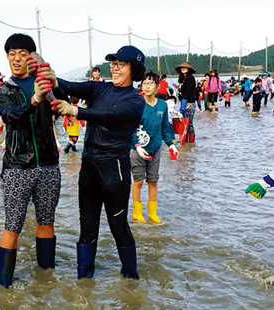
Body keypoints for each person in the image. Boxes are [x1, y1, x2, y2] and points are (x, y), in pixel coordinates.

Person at [43, 45, 146, 280]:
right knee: (87, 226)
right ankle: (84, 282)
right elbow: (70, 86)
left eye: (121, 64)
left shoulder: (135, 100)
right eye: (113, 63)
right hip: (89, 166)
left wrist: (76, 111)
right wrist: (53, 78)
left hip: (114, 169)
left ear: (135, 69)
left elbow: (110, 116)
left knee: (118, 225)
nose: (115, 67)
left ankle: (131, 279)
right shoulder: (99, 88)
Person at [0, 33, 65, 288]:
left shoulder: (45, 84)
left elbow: (68, 101)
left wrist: (54, 84)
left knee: (46, 221)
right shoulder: (1, 92)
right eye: (12, 54)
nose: (16, 58)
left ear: (32, 57)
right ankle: (4, 285)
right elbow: (13, 118)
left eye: (22, 54)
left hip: (48, 165)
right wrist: (34, 99)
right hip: (17, 167)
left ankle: (46, 279)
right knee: (13, 225)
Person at [130, 72, 178, 224]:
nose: (147, 86)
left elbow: (165, 129)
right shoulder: (136, 103)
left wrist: (171, 145)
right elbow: (130, 128)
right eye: (144, 83)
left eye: (151, 83)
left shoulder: (163, 105)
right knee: (138, 181)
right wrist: (137, 146)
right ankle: (137, 214)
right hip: (138, 149)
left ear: (158, 86)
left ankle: (153, 214)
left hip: (155, 148)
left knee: (153, 181)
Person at [176, 62, 197, 143]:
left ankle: (191, 142)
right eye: (182, 68)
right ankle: (185, 141)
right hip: (185, 102)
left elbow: (187, 92)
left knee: (189, 123)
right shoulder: (184, 79)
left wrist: (183, 105)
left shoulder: (190, 78)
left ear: (189, 69)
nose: (183, 69)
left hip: (189, 103)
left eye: (185, 68)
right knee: (185, 123)